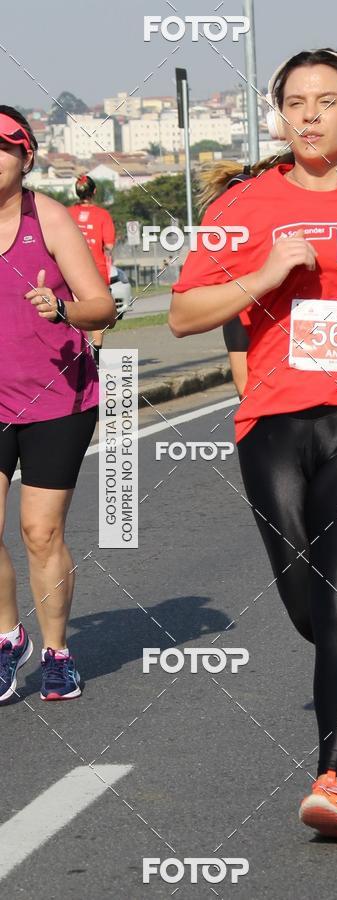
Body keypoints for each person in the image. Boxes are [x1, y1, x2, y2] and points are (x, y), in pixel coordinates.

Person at [169, 49, 337, 837]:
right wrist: (267, 271)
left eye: (327, 100)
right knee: (310, 610)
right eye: (296, 103)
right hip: (273, 421)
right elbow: (182, 316)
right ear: (280, 116)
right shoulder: (243, 207)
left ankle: (334, 782)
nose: (311, 114)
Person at [0, 107, 115, 702]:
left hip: (54, 398)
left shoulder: (48, 218)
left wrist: (63, 309)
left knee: (39, 531)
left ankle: (57, 651)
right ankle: (6, 636)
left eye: (4, 145)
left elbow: (102, 305)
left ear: (27, 158)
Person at [68, 174, 116, 365]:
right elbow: (109, 246)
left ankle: (77, 354)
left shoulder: (66, 213)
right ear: (94, 192)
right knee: (97, 313)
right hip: (97, 270)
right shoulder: (103, 215)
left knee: (73, 312)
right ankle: (96, 357)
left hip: (70, 269)